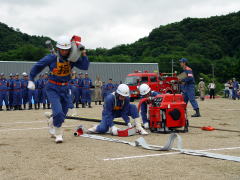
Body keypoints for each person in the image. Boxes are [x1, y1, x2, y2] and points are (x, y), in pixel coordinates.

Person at [28, 36, 89, 143]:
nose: (64, 51)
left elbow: (85, 66)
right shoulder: (51, 58)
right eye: (62, 49)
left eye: (67, 49)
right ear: (58, 49)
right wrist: (31, 79)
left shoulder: (72, 59)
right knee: (58, 112)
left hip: (65, 87)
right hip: (52, 87)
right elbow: (38, 66)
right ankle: (58, 134)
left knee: (63, 114)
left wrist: (83, 53)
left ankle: (52, 120)